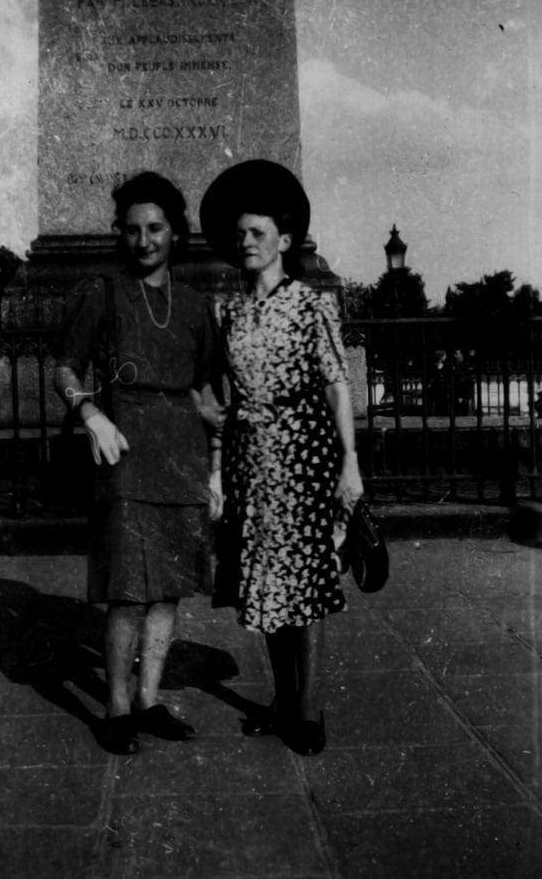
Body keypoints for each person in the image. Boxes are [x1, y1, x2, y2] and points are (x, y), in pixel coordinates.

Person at [54, 172, 224, 755]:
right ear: (119, 234)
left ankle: (149, 699)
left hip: (182, 453)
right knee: (129, 589)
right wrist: (91, 415)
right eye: (132, 230)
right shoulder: (101, 293)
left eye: (155, 228)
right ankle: (118, 707)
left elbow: (204, 388)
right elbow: (66, 369)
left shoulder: (199, 307)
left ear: (176, 232)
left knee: (168, 589)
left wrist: (218, 459)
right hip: (124, 448)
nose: (144, 239)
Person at [200, 159, 364, 756]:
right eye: (240, 234)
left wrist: (350, 460)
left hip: (304, 455)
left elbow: (334, 382)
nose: (246, 242)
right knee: (267, 582)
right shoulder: (232, 312)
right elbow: (225, 395)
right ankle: (279, 700)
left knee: (309, 580)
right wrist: (219, 469)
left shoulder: (309, 304)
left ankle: (309, 704)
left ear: (284, 242)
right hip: (252, 460)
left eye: (257, 234)